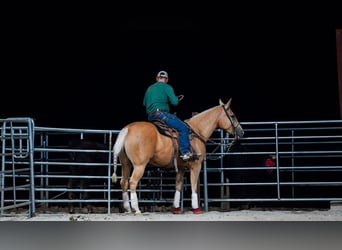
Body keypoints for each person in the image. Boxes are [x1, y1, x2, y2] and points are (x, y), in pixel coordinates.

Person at [143, 70, 200, 161]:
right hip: (162, 115)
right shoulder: (167, 87)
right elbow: (175, 102)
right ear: (167, 80)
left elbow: (145, 103)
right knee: (183, 128)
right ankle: (186, 153)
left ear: (157, 78)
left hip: (150, 116)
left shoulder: (149, 88)